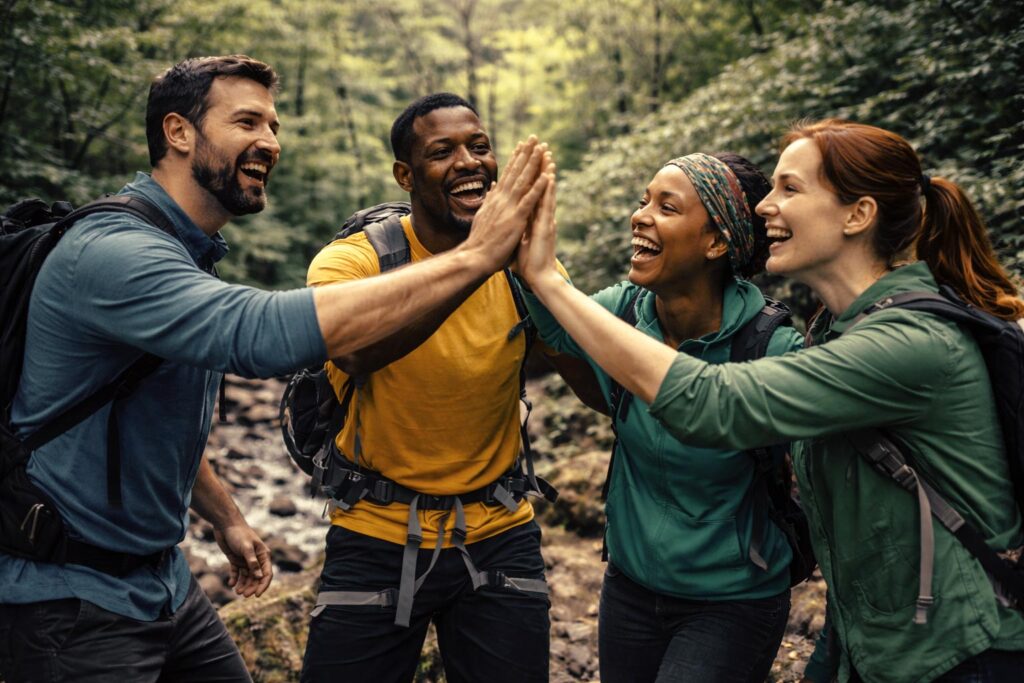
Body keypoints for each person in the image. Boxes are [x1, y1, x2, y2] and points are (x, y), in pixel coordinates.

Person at [0, 57, 550, 683]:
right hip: (70, 605)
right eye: (246, 122)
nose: (270, 142)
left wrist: (226, 518)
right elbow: (257, 335)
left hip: (162, 582)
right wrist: (476, 256)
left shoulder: (183, 251)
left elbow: (150, 419)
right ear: (178, 132)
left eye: (273, 126)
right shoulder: (116, 254)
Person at [516, 119, 1024, 683]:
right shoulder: (836, 331)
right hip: (881, 644)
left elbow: (714, 404)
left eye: (790, 188)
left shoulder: (907, 344)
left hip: (964, 651)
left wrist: (548, 280)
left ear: (857, 215)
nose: (763, 206)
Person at [300, 93, 558, 683]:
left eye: (479, 146)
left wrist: (540, 273)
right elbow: (353, 350)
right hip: (373, 531)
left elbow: (586, 377)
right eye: (442, 152)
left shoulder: (522, 266)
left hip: (500, 530)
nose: (468, 161)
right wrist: (476, 260)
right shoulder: (352, 263)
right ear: (405, 175)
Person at [519, 152, 802, 682]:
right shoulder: (627, 310)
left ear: (716, 243)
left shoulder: (769, 347)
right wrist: (522, 250)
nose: (640, 216)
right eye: (643, 201)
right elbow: (557, 327)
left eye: (666, 208)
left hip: (732, 601)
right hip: (629, 588)